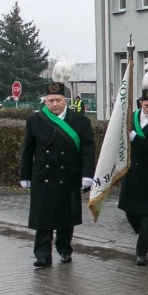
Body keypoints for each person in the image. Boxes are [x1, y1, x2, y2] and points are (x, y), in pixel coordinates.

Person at [19, 61, 94, 268]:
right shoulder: (35, 121)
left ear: (65, 100)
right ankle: (42, 255)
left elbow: (88, 151)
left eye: (58, 100)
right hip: (43, 175)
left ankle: (64, 248)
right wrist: (24, 174)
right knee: (43, 219)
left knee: (66, 217)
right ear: (45, 101)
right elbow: (27, 150)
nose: (54, 104)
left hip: (69, 175)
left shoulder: (80, 122)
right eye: (50, 100)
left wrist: (87, 175)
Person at [118, 64, 148, 267]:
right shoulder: (131, 118)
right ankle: (140, 233)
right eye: (147, 105)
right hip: (132, 174)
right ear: (141, 103)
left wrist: (137, 140)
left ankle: (141, 253)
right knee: (131, 213)